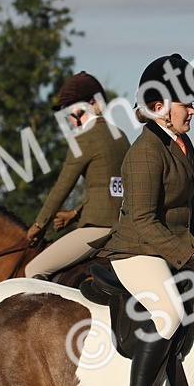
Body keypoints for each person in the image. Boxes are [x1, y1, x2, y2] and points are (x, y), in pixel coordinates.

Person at [97, 53, 194, 386]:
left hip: (165, 249)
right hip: (137, 251)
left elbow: (192, 206)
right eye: (185, 103)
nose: (193, 110)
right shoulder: (144, 152)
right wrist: (191, 257)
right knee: (170, 311)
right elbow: (142, 220)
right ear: (158, 106)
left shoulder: (182, 144)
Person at [24, 72, 131, 278]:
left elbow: (62, 188)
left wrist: (38, 225)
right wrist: (73, 215)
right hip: (124, 224)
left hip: (98, 230)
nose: (69, 120)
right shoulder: (121, 136)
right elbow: (111, 189)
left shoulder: (83, 140)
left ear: (92, 103)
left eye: (70, 111)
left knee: (33, 269)